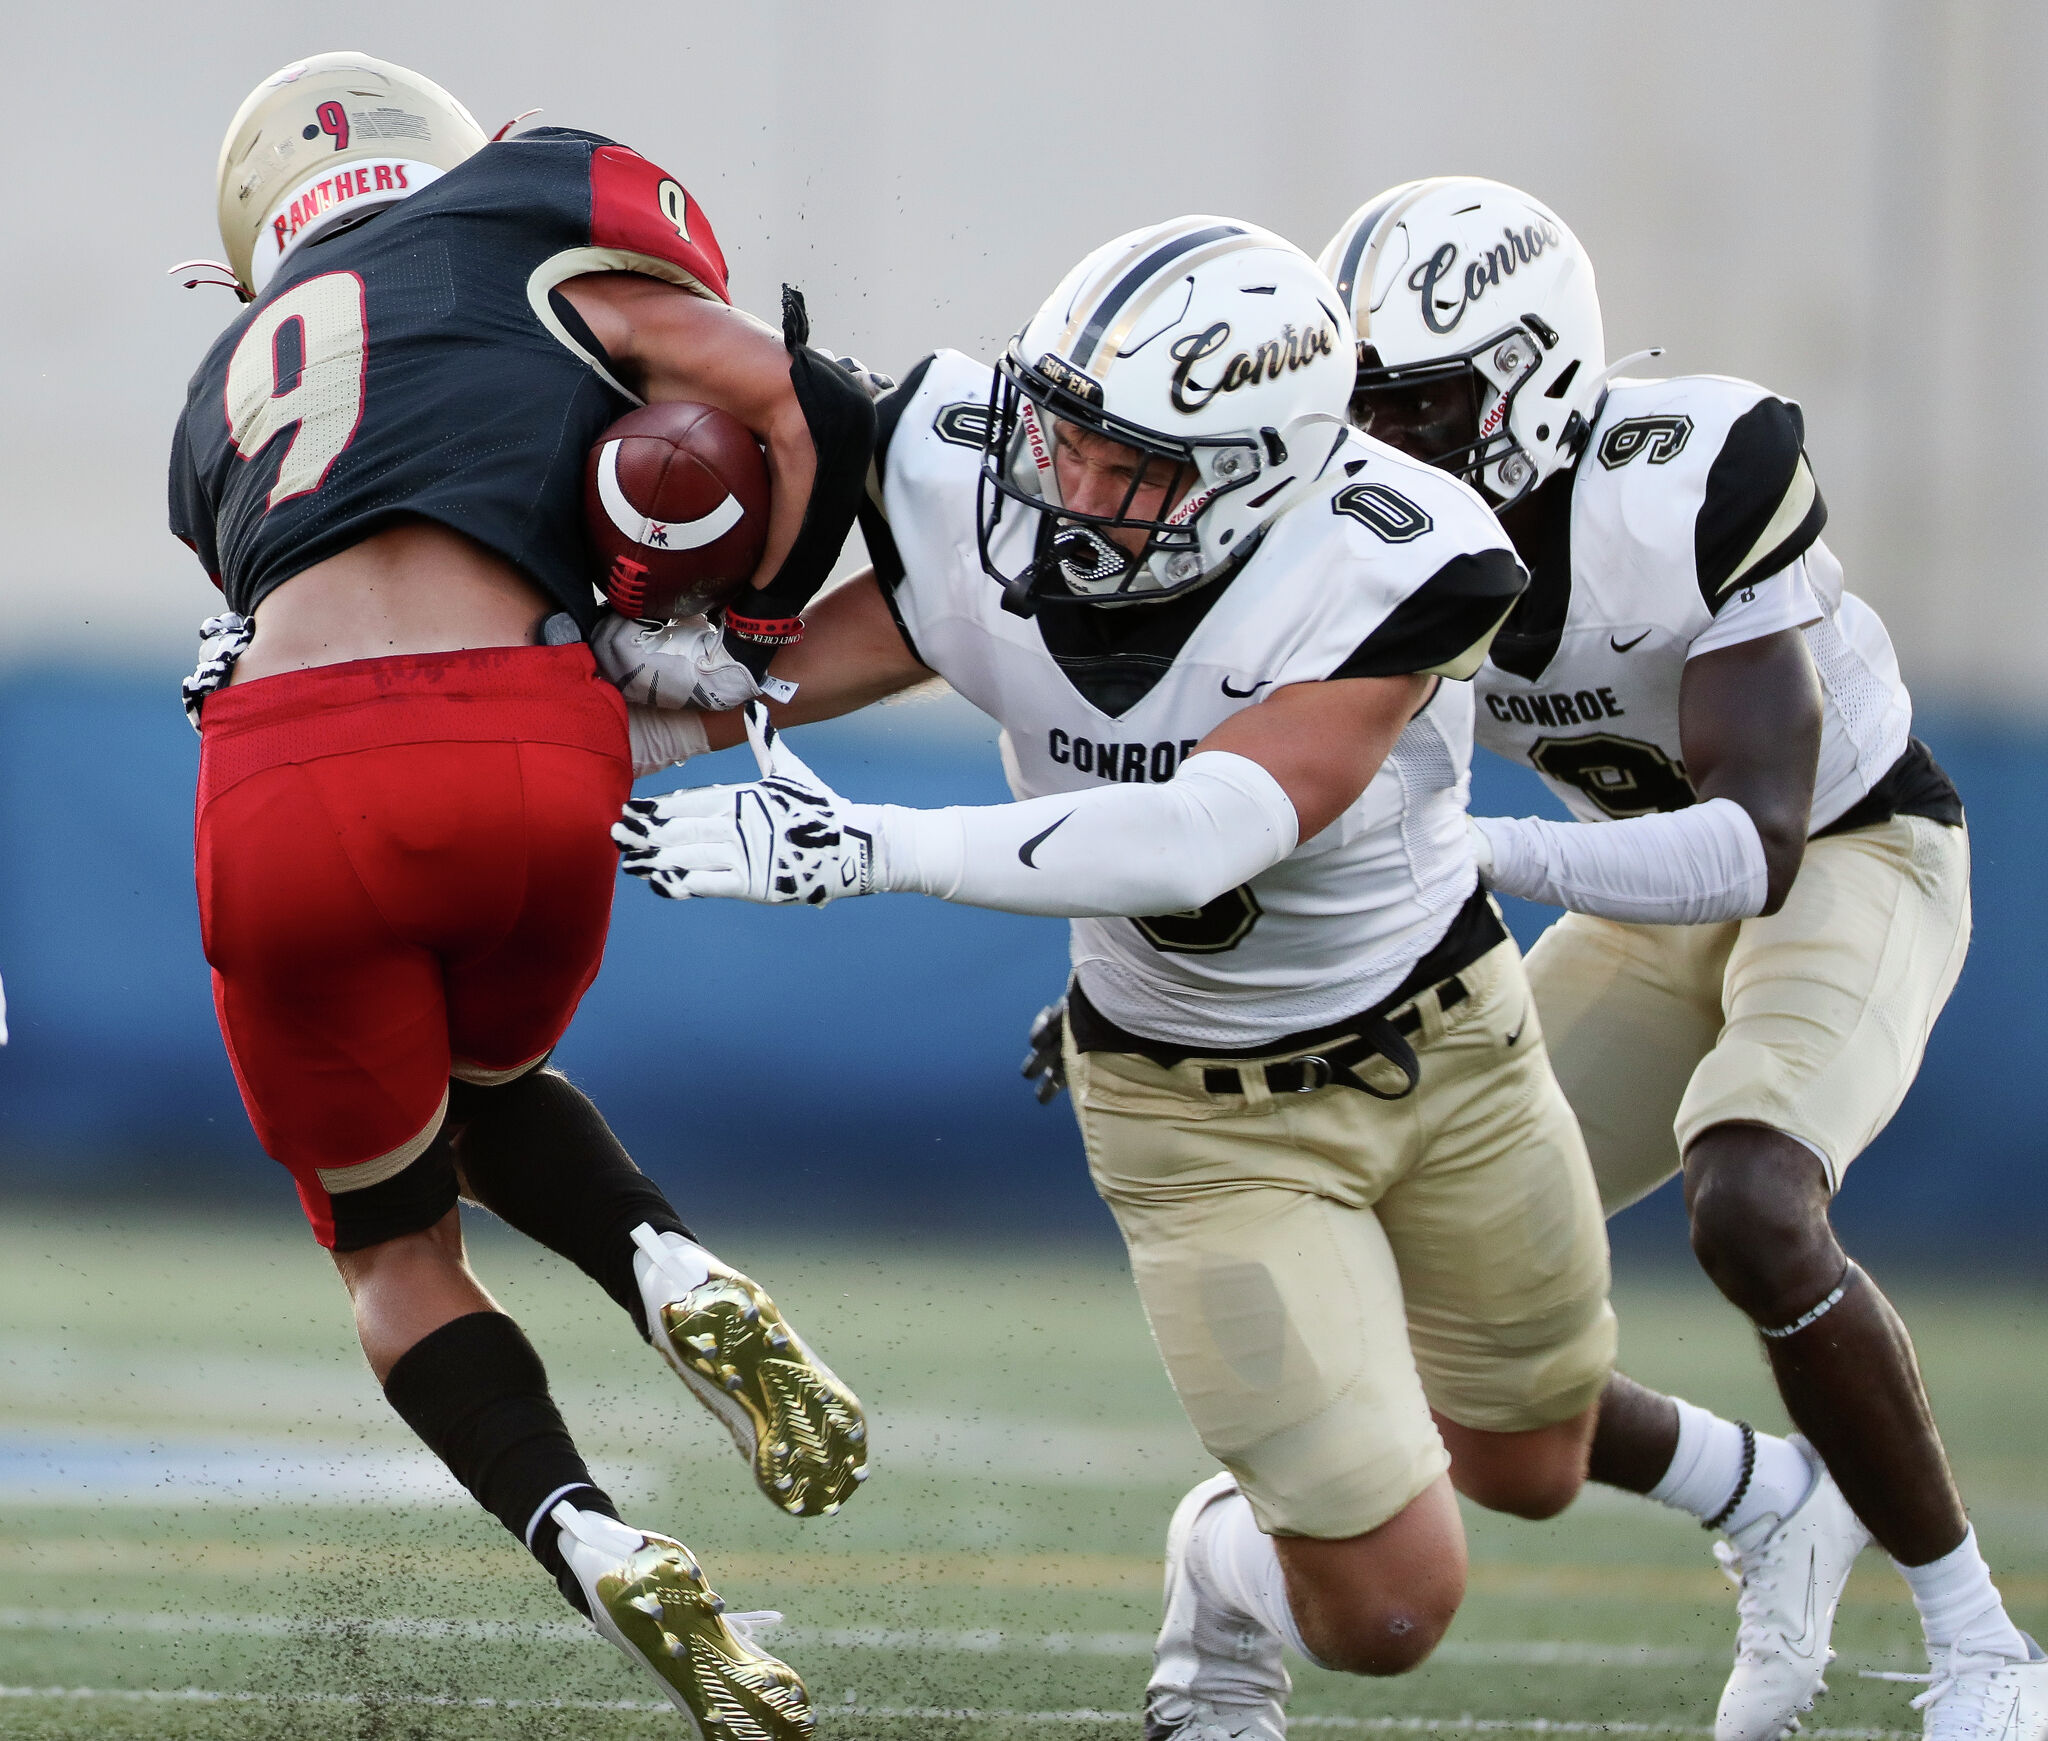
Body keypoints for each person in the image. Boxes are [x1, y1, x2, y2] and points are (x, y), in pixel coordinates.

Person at [605, 217, 1619, 1738]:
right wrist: (660, 711)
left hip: (1454, 1046)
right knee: (1393, 1610)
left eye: (1128, 468)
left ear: (1269, 470)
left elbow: (1207, 830)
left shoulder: (1413, 552)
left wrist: (867, 841)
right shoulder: (979, 463)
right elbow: (720, 378)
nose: (1068, 489)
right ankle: (1227, 1576)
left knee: (1534, 1462)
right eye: (1062, 437)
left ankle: (1313, 1463)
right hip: (1195, 1114)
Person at [169, 52, 880, 1735]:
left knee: (392, 1251)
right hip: (525, 747)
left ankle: (588, 1533)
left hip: (272, 773)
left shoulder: (213, 395)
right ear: (444, 149)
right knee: (486, 1087)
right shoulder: (529, 207)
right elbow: (812, 402)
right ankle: (668, 1270)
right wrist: (757, 616)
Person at [1318, 177, 2043, 1741]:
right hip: (1654, 901)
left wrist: (1492, 858)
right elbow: (1321, 791)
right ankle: (1759, 1493)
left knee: (1754, 1199)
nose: (1387, 447)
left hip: (1852, 852)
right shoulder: (1374, 544)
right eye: (1363, 409)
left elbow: (1759, 842)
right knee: (1390, 1235)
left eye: (1427, 403)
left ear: (1535, 378)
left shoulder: (1688, 476)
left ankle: (1983, 1640)